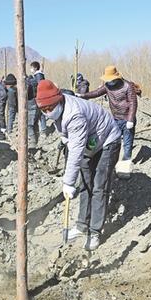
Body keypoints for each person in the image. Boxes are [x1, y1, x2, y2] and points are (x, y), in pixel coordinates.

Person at [36, 80, 121, 251]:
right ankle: (82, 225)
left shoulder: (74, 114)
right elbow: (68, 137)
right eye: (44, 110)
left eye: (50, 108)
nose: (48, 113)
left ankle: (94, 231)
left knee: (99, 187)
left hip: (107, 140)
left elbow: (76, 150)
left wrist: (68, 182)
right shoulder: (58, 109)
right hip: (90, 141)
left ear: (58, 101)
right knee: (85, 184)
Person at [79, 66, 138, 161]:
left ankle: (125, 164)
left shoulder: (127, 86)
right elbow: (97, 92)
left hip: (127, 119)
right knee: (107, 138)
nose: (109, 81)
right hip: (115, 118)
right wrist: (82, 95)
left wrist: (130, 119)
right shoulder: (107, 86)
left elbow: (133, 103)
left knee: (127, 143)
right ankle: (101, 158)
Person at [30, 61, 47, 136]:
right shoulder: (38, 75)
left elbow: (39, 86)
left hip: (39, 97)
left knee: (40, 114)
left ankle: (42, 130)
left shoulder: (38, 75)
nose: (31, 69)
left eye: (32, 68)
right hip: (39, 97)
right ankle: (42, 130)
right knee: (41, 114)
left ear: (35, 68)